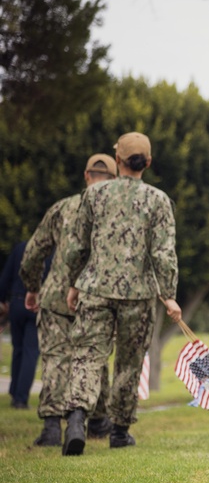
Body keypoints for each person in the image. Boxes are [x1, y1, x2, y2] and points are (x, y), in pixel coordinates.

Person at [62, 132, 182, 456]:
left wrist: (73, 283)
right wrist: (169, 294)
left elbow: (76, 245)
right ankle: (119, 431)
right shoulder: (159, 200)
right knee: (129, 363)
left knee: (87, 356)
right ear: (149, 162)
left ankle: (76, 420)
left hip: (95, 289)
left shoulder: (94, 194)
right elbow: (164, 253)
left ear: (117, 161)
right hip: (138, 295)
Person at [20, 154, 118, 447]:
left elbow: (34, 252)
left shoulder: (62, 208)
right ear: (113, 180)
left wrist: (32, 287)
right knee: (95, 361)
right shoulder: (115, 212)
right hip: (95, 297)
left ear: (87, 175)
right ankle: (98, 421)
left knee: (55, 359)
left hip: (55, 296)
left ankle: (52, 427)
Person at [0, 241, 39, 409]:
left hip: (16, 302)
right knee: (31, 351)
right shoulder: (50, 251)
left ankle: (14, 391)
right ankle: (21, 399)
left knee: (18, 348)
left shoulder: (20, 247)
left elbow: (6, 276)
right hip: (35, 303)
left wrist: (1, 300)